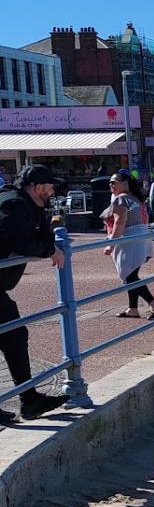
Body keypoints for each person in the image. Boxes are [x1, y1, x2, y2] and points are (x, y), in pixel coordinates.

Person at [0, 165, 69, 422]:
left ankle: (30, 400)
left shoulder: (29, 206)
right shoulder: (13, 205)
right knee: (14, 335)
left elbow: (43, 234)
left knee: (13, 335)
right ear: (37, 188)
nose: (52, 192)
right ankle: (29, 401)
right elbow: (20, 241)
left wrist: (47, 243)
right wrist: (49, 250)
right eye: (50, 187)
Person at [101, 171, 154, 320]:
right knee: (131, 274)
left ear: (125, 183)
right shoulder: (135, 198)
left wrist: (111, 244)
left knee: (129, 276)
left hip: (130, 239)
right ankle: (132, 308)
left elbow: (119, 223)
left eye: (114, 182)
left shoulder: (120, 200)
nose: (111, 185)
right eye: (110, 182)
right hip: (141, 236)